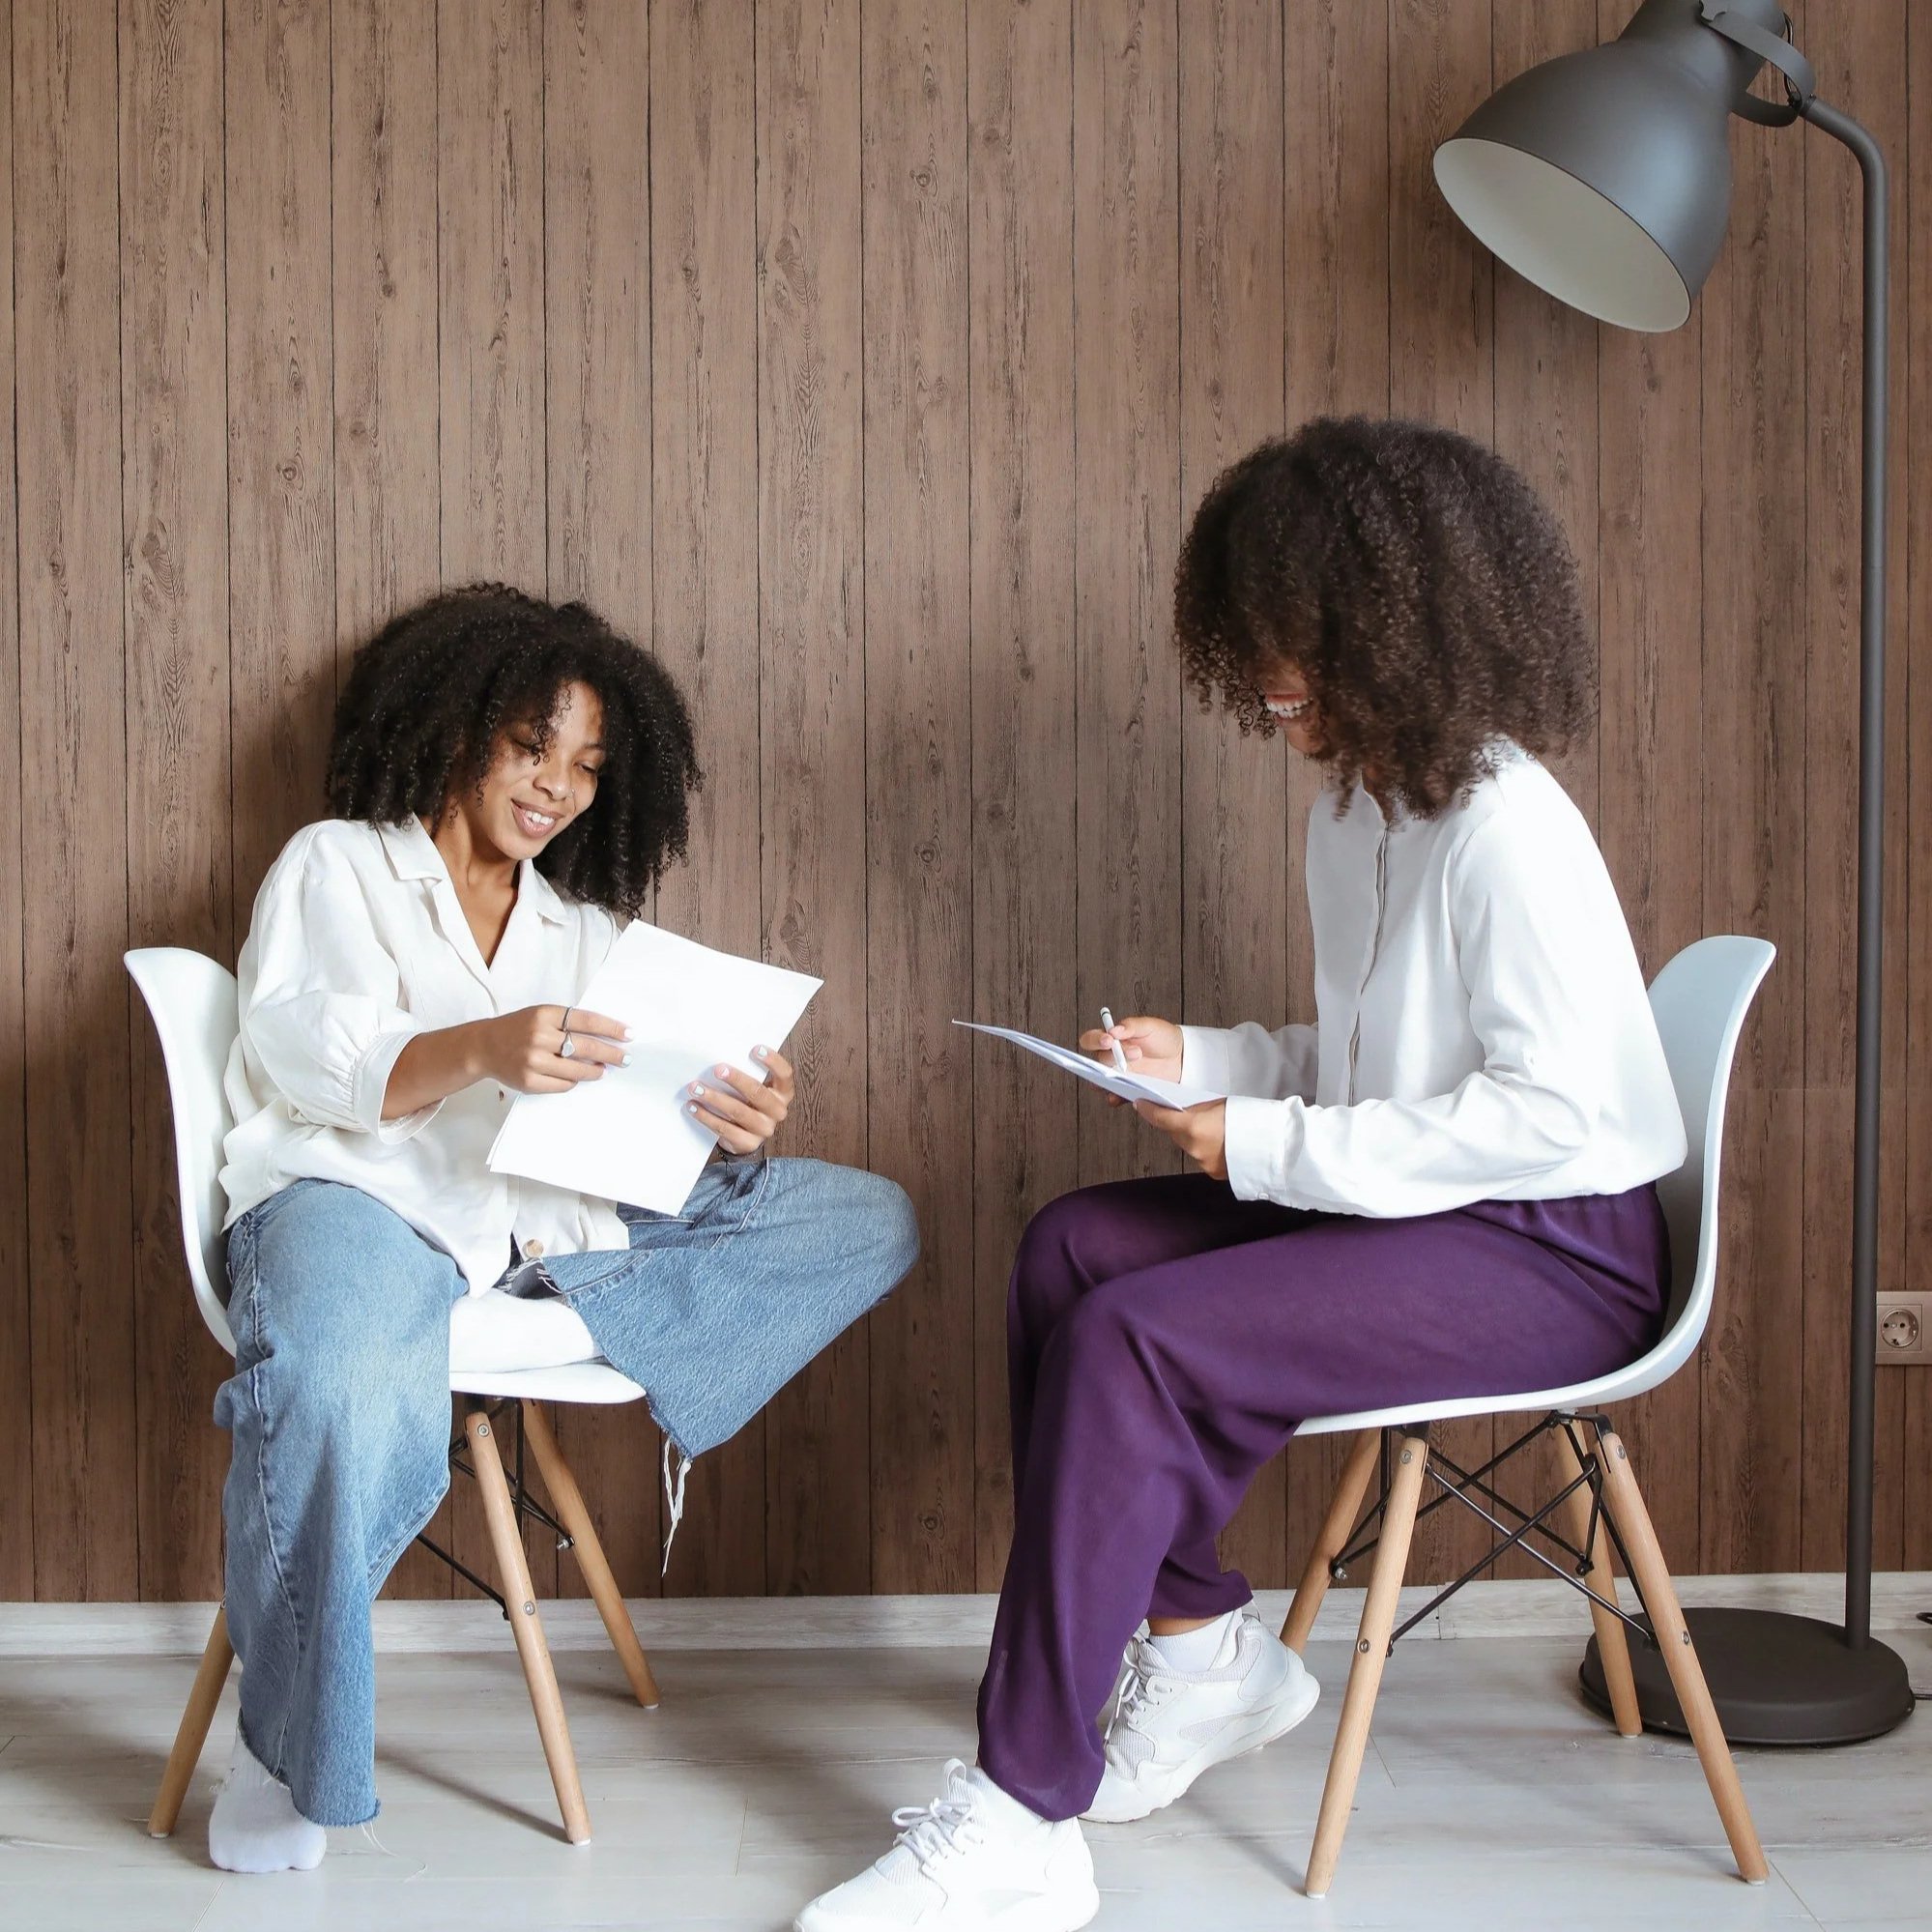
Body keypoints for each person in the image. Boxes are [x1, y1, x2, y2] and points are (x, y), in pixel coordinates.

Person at [796, 417, 1687, 1931]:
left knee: (1139, 1338)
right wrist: (1209, 1060)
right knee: (1074, 1252)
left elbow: (1551, 1115)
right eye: (1257, 637)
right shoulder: (1358, 814)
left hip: (1556, 1253)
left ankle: (1022, 1811)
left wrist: (1271, 1144)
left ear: (1400, 630)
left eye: (1303, 640)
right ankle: (1204, 1644)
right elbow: (1378, 1065)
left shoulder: (1506, 826)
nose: (1274, 677)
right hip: (1433, 1208)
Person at [209, 585, 919, 1874]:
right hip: (357, 1199)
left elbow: (643, 1115)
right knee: (336, 1383)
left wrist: (732, 1117)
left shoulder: (584, 935)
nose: (557, 786)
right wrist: (478, 1045)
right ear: (457, 724)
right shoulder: (339, 863)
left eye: (587, 765)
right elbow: (296, 1047)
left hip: (547, 1222)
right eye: (532, 747)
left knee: (864, 1218)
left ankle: (583, 1300)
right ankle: (286, 1744)